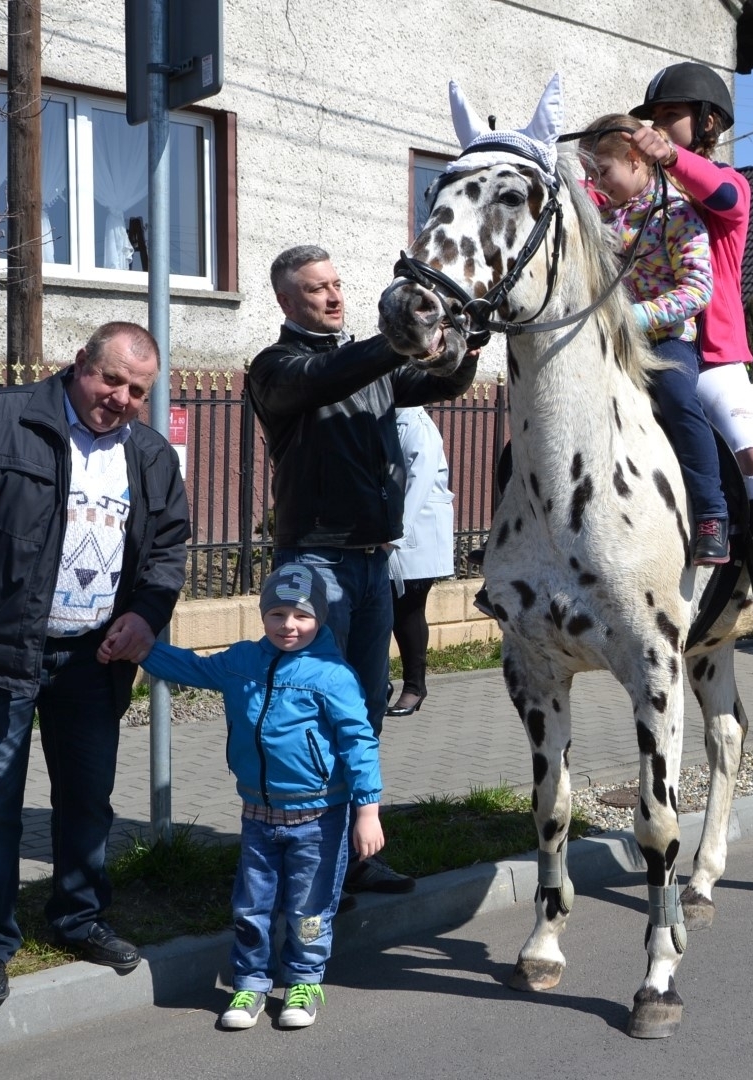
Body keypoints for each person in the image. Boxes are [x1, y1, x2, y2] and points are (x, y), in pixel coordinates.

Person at [0, 321, 191, 1004]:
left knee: (87, 801)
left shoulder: (149, 455)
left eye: (138, 391)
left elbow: (169, 549)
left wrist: (147, 615)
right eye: (111, 379)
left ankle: (79, 917)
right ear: (78, 365)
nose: (120, 398)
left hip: (94, 660)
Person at [246, 245, 477, 893]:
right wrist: (396, 340)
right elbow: (331, 377)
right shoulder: (276, 367)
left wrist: (463, 345)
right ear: (287, 300)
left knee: (362, 716)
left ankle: (354, 858)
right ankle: (314, 866)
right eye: (317, 288)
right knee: (314, 714)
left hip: (375, 562)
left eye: (338, 283)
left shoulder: (367, 364)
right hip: (316, 562)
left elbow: (438, 383)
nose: (333, 295)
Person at [137, 563, 383, 1031]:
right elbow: (194, 667)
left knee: (308, 909)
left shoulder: (333, 675)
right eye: (276, 613)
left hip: (320, 817)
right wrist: (144, 650)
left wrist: (367, 811)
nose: (288, 625)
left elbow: (359, 741)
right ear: (262, 613)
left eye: (301, 616)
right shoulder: (243, 661)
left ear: (321, 619)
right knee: (251, 906)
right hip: (257, 814)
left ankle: (304, 981)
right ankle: (249, 982)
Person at [628, 62, 753, 651]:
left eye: (668, 115)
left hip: (710, 357)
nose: (657, 125)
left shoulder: (727, 186)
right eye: (652, 118)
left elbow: (723, 192)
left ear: (707, 121)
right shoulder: (644, 190)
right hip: (642, 344)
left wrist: (669, 157)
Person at [579, 114, 728, 564]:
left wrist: (634, 318)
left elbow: (699, 288)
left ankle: (712, 514)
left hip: (664, 340)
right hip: (606, 341)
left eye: (602, 172)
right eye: (589, 175)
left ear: (636, 158)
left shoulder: (677, 213)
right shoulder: (598, 218)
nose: (595, 183)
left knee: (680, 400)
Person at [386, 407, 454, 717]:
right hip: (389, 531)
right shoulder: (387, 418)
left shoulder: (418, 425)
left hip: (415, 534)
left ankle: (414, 686)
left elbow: (419, 480)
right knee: (379, 612)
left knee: (407, 611)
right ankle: (378, 681)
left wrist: (395, 531)